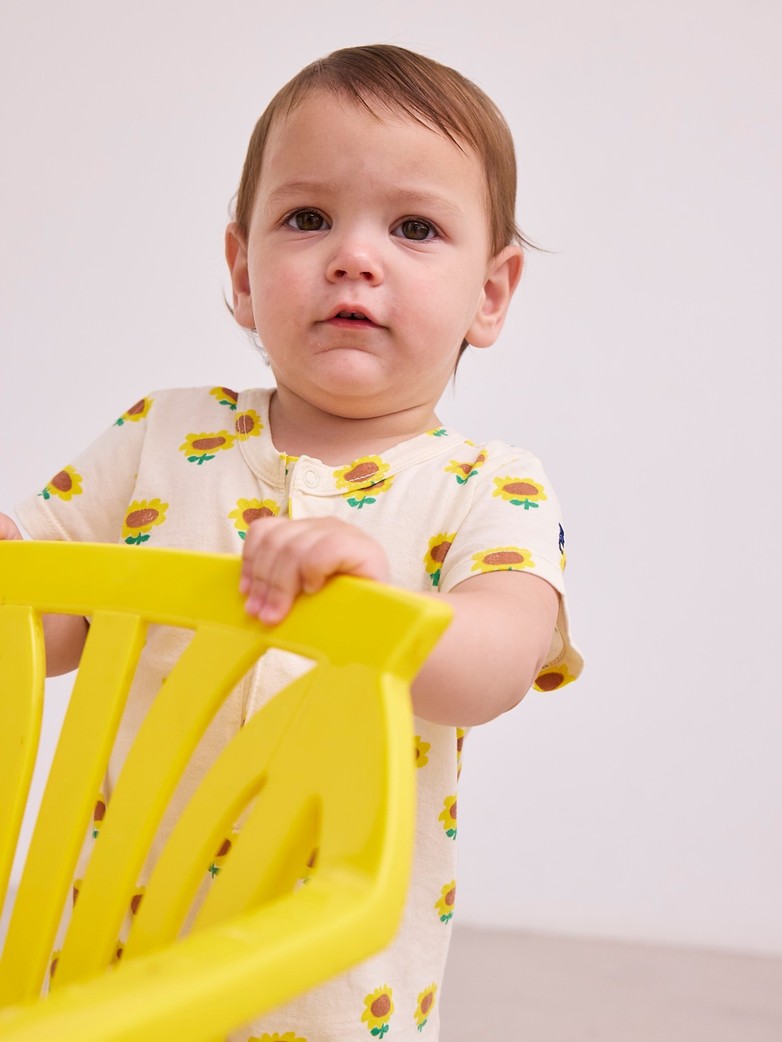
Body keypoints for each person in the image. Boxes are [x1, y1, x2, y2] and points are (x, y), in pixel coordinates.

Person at [1, 43, 582, 1041]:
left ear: (490, 293)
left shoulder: (486, 485)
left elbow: (499, 656)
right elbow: (42, 619)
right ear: (240, 268)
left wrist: (384, 615)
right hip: (116, 946)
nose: (355, 256)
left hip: (327, 978)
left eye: (414, 227)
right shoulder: (161, 436)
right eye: (306, 218)